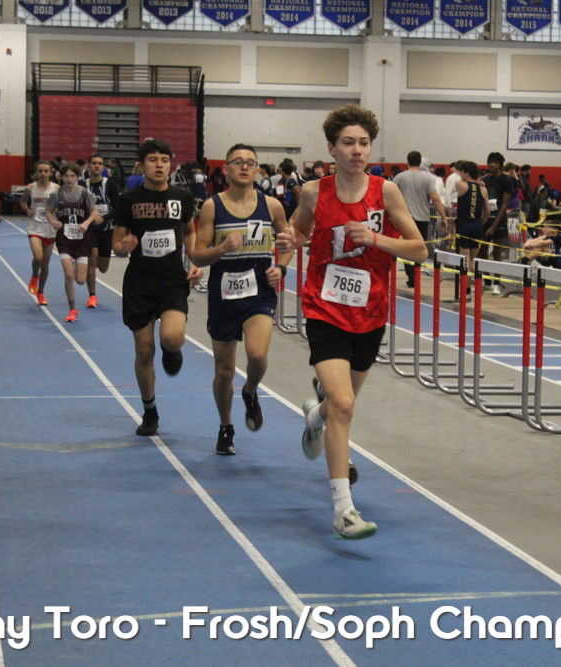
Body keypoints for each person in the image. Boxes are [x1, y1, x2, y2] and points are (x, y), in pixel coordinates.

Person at [275, 104, 427, 539]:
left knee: (339, 405)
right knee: (343, 404)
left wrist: (376, 238)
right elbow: (300, 232)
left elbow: (419, 249)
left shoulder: (386, 192)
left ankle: (314, 419)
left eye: (363, 143)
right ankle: (343, 509)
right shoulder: (312, 192)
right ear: (331, 149)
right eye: (348, 143)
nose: (357, 150)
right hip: (324, 308)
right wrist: (286, 245)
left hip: (371, 311)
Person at [192, 144, 291, 456]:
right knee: (224, 371)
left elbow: (288, 241)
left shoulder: (271, 206)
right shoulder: (212, 207)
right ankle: (226, 426)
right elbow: (197, 254)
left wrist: (281, 268)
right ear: (226, 169)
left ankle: (250, 390)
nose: (245, 167)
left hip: (259, 292)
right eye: (238, 162)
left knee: (257, 356)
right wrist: (221, 249)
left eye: (251, 162)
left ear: (258, 169)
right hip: (224, 296)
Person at [113, 139, 202, 437]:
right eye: (153, 160)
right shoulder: (128, 200)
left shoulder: (181, 197)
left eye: (164, 160)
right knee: (143, 350)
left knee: (172, 338)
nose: (159, 165)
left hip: (172, 279)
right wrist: (124, 247)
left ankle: (171, 350)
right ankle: (150, 411)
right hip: (139, 281)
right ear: (142, 166)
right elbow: (117, 243)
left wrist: (194, 259)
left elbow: (189, 232)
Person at [47, 163, 101, 323]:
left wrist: (87, 223)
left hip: (82, 239)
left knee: (80, 280)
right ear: (61, 177)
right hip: (64, 238)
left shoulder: (85, 193)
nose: (69, 179)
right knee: (69, 275)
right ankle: (72, 309)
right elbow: (48, 210)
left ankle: (76, 266)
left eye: (72, 176)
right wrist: (53, 221)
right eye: (66, 176)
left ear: (77, 177)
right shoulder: (56, 195)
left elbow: (95, 211)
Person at [394, 151, 447, 288]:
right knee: (419, 247)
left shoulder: (399, 177)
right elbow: (435, 199)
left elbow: (391, 196)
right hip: (423, 218)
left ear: (407, 161)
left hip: (405, 218)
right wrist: (443, 217)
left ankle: (410, 273)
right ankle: (416, 273)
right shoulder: (428, 178)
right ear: (420, 162)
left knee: (406, 247)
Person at [80, 153, 120, 309]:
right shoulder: (82, 185)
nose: (97, 166)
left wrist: (104, 217)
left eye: (99, 163)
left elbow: (118, 209)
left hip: (106, 229)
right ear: (89, 165)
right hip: (89, 230)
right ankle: (92, 296)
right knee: (92, 257)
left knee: (103, 267)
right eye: (94, 163)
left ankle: (89, 269)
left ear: (103, 167)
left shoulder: (110, 185)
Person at [21, 161, 59, 305]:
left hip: (50, 229)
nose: (43, 174)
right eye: (40, 171)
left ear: (51, 173)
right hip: (35, 227)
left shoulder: (56, 189)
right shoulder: (30, 188)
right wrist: (27, 210)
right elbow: (23, 201)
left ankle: (41, 293)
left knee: (45, 264)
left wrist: (57, 211)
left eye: (46, 171)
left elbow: (61, 205)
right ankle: (34, 275)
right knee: (38, 257)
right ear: (36, 172)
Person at [481, 152, 515, 294]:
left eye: (495, 162)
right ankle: (487, 281)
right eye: (490, 162)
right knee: (482, 251)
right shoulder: (485, 180)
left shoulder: (506, 181)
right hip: (486, 219)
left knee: (496, 251)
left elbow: (504, 205)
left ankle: (496, 283)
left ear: (500, 164)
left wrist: (494, 226)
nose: (492, 165)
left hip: (499, 221)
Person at [452, 160, 489, 286]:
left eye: (461, 172)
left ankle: (466, 290)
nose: (460, 175)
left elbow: (458, 183)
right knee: (472, 260)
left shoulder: (461, 185)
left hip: (465, 226)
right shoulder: (483, 189)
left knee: (465, 261)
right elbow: (488, 211)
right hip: (477, 226)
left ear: (466, 172)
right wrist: (481, 223)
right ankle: (475, 286)